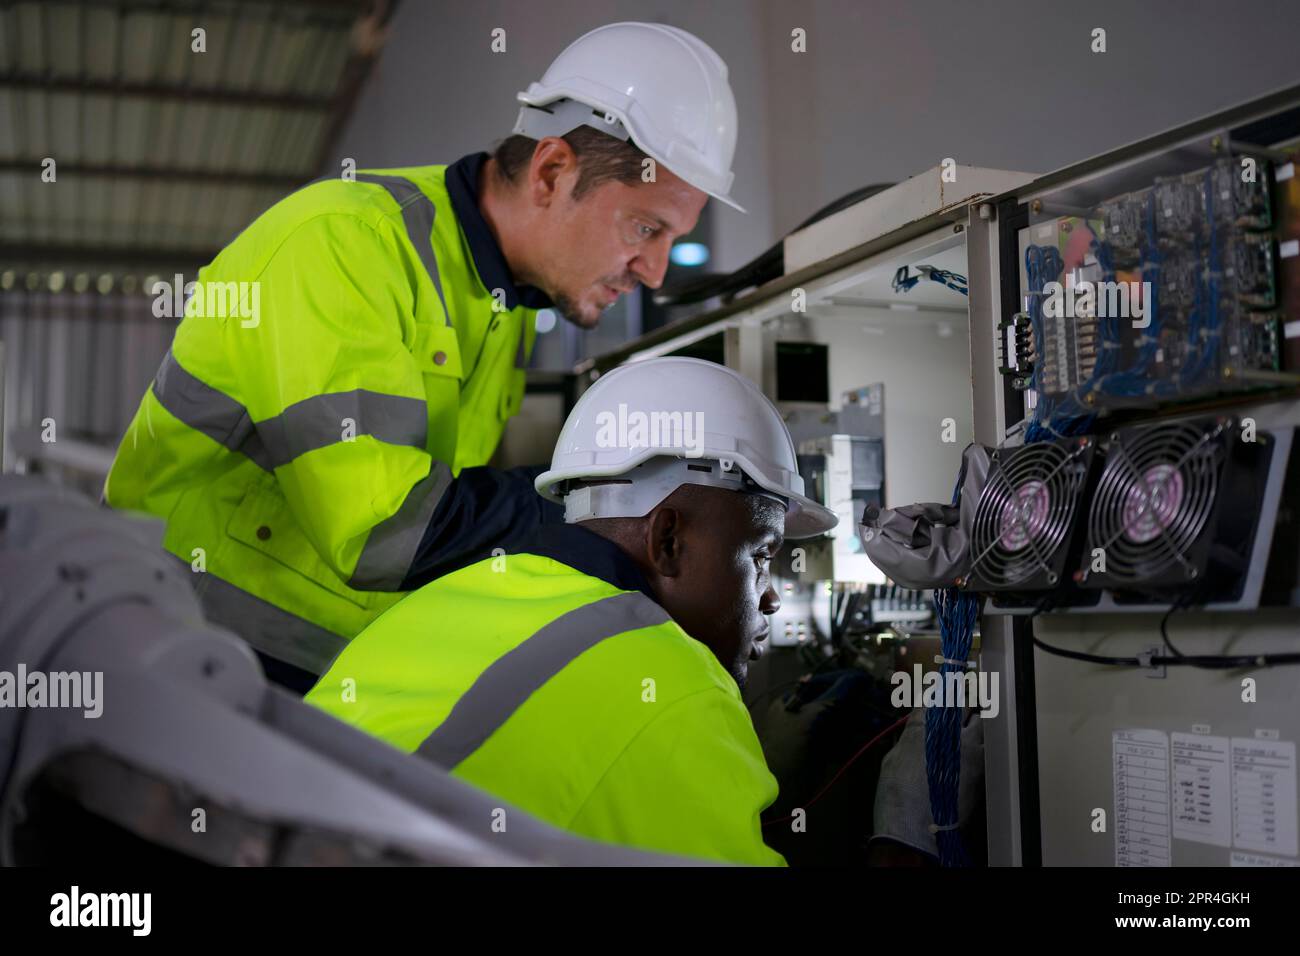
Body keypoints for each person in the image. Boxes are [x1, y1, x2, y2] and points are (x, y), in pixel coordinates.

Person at [102, 23, 746, 691]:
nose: (656, 271)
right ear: (553, 172)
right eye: (646, 227)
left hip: (311, 684)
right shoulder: (344, 245)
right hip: (175, 665)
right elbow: (385, 531)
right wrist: (605, 515)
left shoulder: (506, 306)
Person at [306, 358, 838, 864]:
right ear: (668, 539)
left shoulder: (445, 599)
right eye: (762, 555)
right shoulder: (680, 686)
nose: (771, 597)